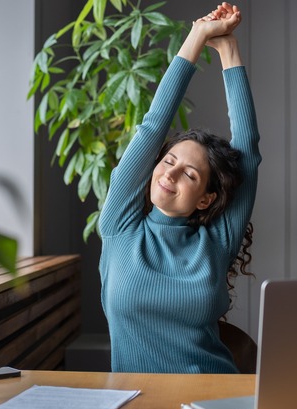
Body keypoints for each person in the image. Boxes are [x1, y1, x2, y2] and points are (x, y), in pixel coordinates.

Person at [98, 2, 261, 373]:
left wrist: (228, 49)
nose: (169, 175)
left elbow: (247, 148)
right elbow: (153, 127)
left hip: (214, 395)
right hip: (135, 406)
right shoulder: (120, 226)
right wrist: (197, 36)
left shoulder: (217, 242)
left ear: (206, 198)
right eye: (168, 162)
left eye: (189, 174)